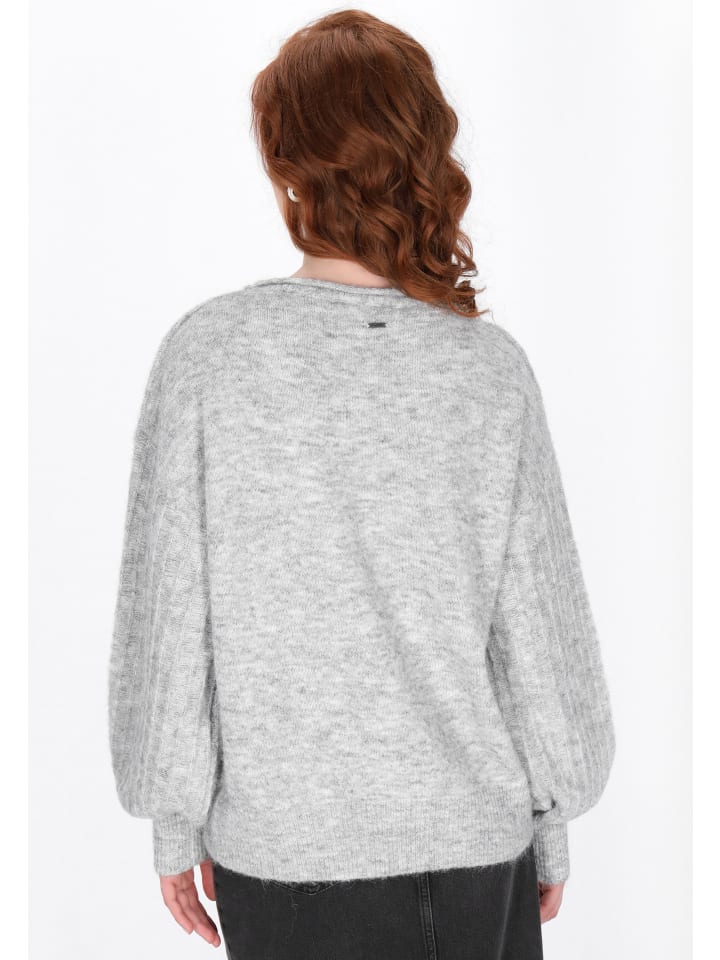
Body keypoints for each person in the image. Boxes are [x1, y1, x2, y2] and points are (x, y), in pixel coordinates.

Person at [106, 9, 616, 959]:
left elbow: (172, 616)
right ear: (425, 151)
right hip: (474, 853)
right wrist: (552, 816)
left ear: (285, 161)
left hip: (284, 858)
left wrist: (174, 818)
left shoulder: (209, 358)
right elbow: (537, 632)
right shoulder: (487, 371)